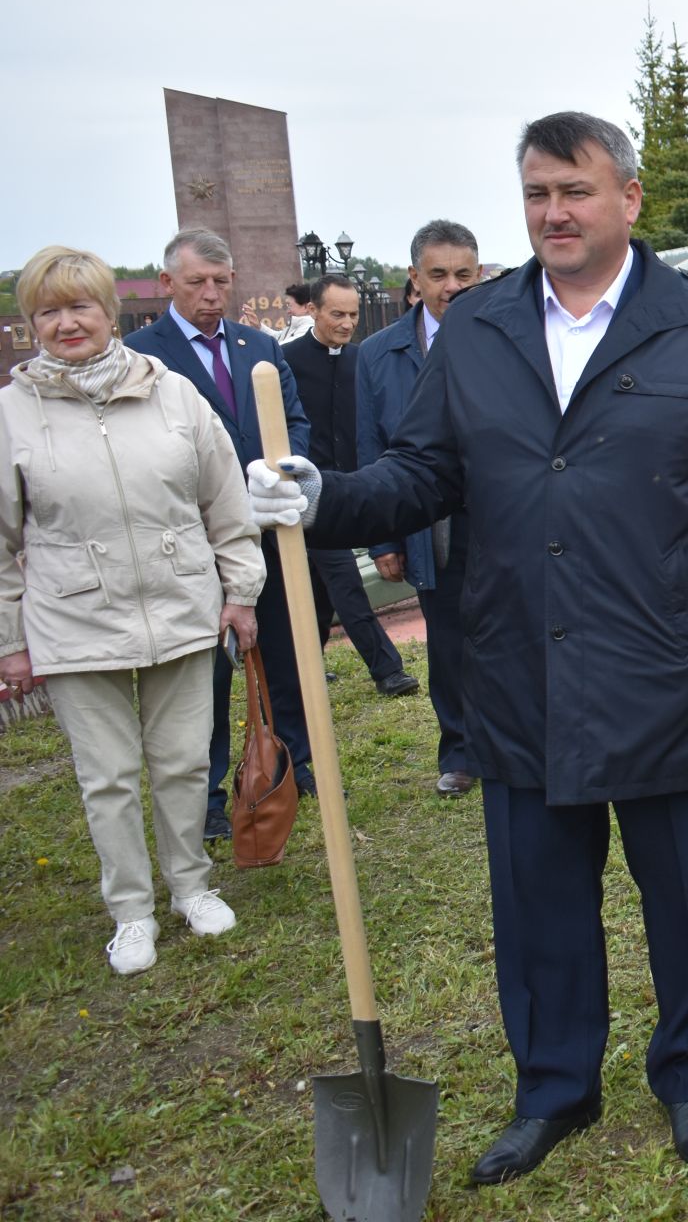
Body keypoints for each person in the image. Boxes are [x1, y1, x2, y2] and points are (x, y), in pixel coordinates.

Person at [246, 112, 688, 1180]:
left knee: (682, 895)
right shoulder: (479, 328)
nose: (554, 211)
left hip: (665, 667)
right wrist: (323, 495)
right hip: (518, 667)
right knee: (539, 900)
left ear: (629, 199)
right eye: (537, 193)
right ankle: (554, 1085)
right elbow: (421, 472)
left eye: (576, 190)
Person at [0, 246, 264, 974]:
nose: (66, 323)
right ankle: (132, 909)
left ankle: (190, 885)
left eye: (79, 306)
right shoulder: (13, 414)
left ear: (110, 313)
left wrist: (240, 590)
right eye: (47, 312)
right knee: (108, 775)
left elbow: (224, 500)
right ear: (31, 325)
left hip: (180, 604)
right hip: (76, 619)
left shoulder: (173, 393)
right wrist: (9, 639)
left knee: (182, 762)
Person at [126, 229, 313, 840]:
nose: (212, 295)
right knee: (208, 671)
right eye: (197, 283)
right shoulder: (141, 355)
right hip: (196, 538)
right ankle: (206, 794)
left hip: (269, 530)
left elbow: (292, 421)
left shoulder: (257, 345)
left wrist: (284, 476)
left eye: (222, 282)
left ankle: (292, 764)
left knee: (285, 653)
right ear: (167, 285)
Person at [357, 220, 483, 794]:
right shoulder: (378, 355)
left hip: (501, 515)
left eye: (463, 273)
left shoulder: (505, 336)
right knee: (448, 638)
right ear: (414, 278)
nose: (451, 286)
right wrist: (383, 539)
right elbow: (370, 447)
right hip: (429, 524)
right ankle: (458, 752)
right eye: (438, 274)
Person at [281, 273, 417, 697]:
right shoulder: (286, 360)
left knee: (323, 590)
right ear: (313, 311)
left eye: (353, 314)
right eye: (337, 314)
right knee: (343, 580)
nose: (347, 323)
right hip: (315, 495)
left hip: (361, 486)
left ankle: (307, 665)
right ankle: (388, 669)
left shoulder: (364, 358)